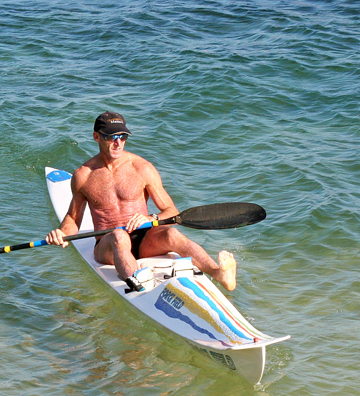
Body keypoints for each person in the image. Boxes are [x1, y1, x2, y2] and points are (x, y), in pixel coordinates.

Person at [46, 111, 237, 292]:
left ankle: (219, 273)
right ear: (97, 137)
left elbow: (172, 212)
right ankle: (138, 283)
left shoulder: (142, 168)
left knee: (172, 234)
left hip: (144, 240)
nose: (118, 142)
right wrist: (61, 233)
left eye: (123, 137)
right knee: (119, 237)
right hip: (109, 246)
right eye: (111, 137)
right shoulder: (84, 176)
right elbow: (73, 219)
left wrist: (150, 217)